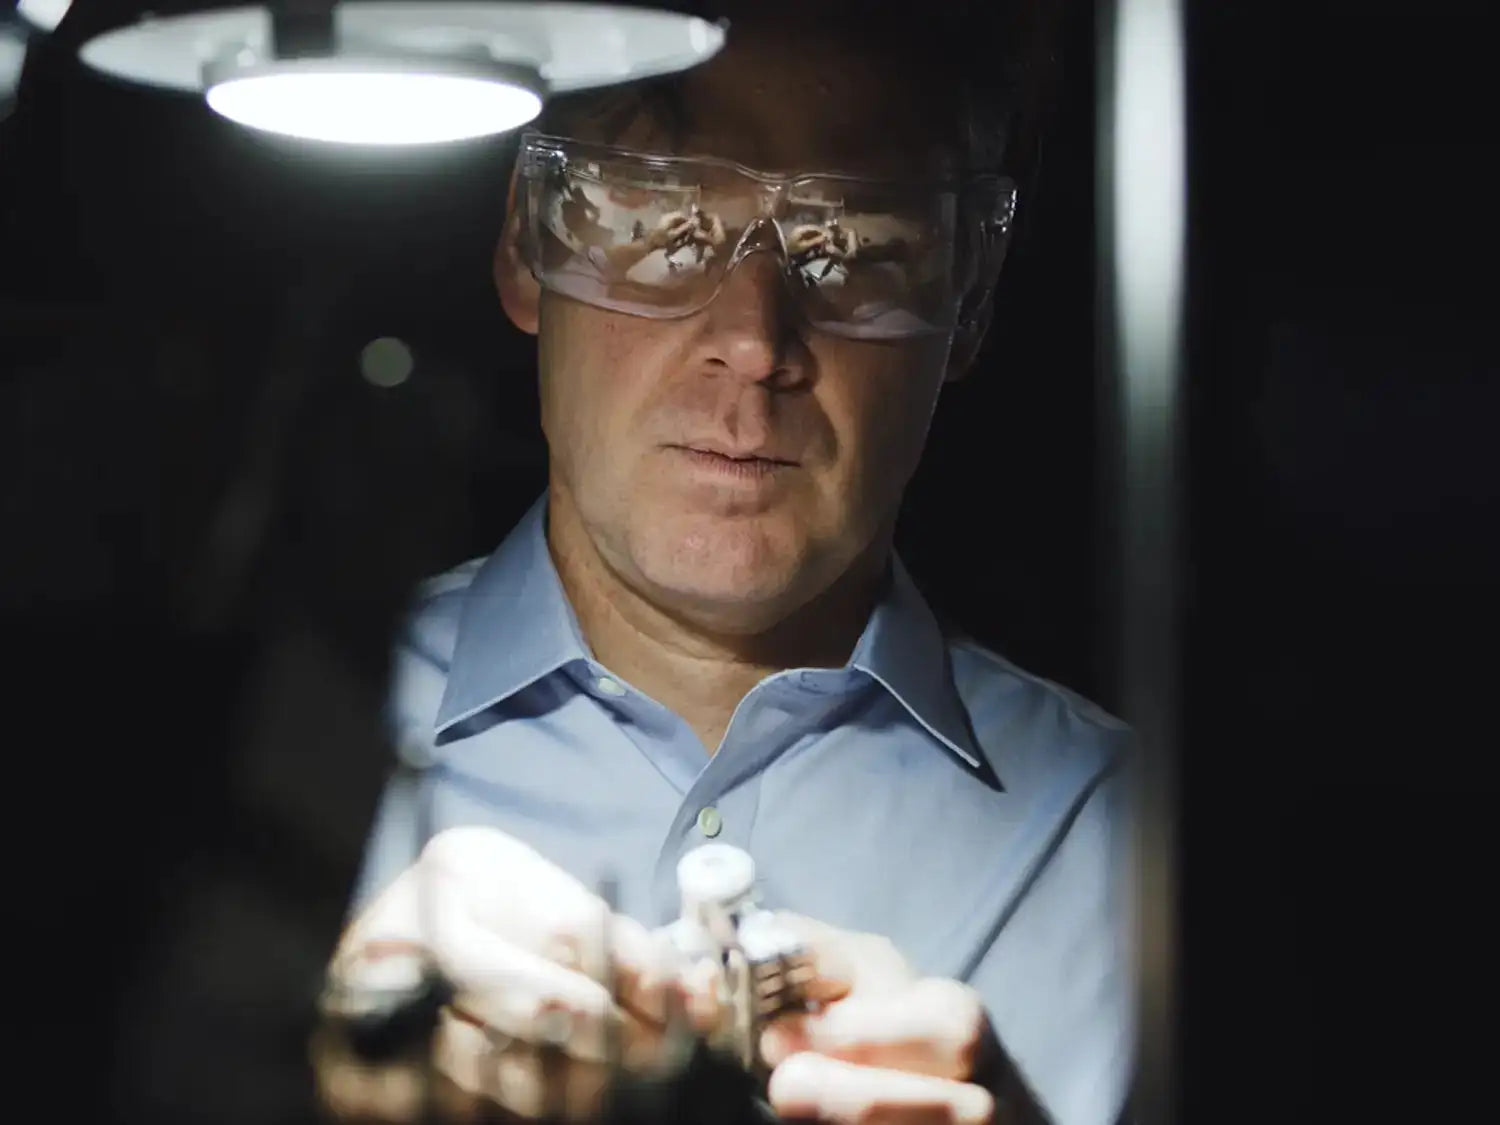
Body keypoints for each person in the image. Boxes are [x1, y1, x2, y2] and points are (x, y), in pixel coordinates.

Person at [319, 3, 1131, 1124]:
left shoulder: (1134, 855)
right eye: (666, 222)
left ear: (970, 297)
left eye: (854, 247)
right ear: (527, 242)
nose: (754, 341)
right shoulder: (261, 732)